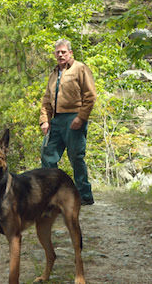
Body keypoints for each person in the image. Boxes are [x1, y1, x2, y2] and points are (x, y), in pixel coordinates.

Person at [39, 39, 96, 205]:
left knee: (76, 157)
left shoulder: (80, 69)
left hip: (74, 117)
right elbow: (46, 100)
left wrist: (81, 117)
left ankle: (84, 195)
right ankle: (53, 196)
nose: (60, 54)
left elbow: (90, 96)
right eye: (57, 52)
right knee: (47, 155)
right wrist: (44, 120)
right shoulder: (53, 73)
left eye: (64, 51)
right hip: (56, 120)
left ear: (70, 53)